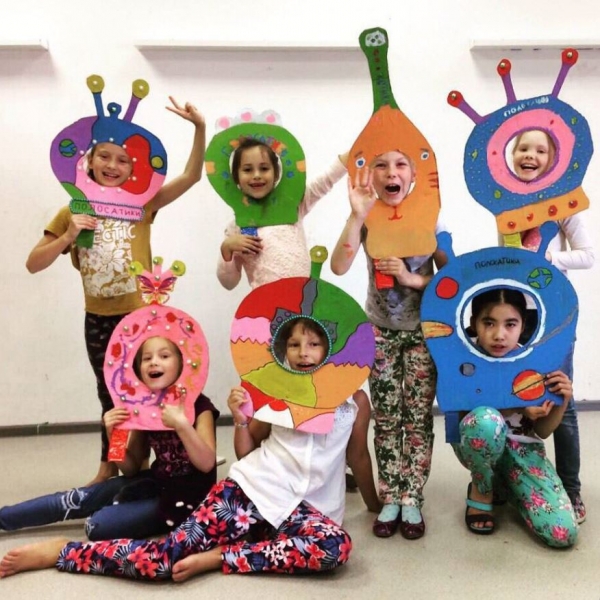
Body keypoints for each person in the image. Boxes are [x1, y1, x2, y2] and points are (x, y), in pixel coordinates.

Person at [0, 318, 379, 582]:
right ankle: (62, 552)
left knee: (334, 548)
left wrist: (374, 504)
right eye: (294, 344)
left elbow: (358, 456)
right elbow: (244, 454)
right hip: (251, 489)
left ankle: (222, 556)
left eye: (313, 344)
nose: (304, 353)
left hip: (306, 510)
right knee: (163, 560)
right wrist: (241, 419)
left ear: (331, 350)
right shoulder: (275, 394)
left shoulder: (354, 402)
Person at [26, 98, 206, 486]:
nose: (112, 165)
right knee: (111, 396)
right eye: (104, 156)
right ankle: (112, 464)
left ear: (133, 169)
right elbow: (33, 263)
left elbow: (191, 177)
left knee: (150, 389)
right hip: (98, 318)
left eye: (123, 160)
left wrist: (199, 128)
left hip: (139, 318)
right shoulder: (73, 209)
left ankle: (156, 463)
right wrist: (69, 235)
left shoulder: (143, 205)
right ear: (88, 162)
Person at [0, 336, 219, 540]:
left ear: (181, 363)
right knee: (74, 499)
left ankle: (120, 506)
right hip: (155, 483)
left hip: (188, 498)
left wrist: (182, 425)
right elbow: (130, 469)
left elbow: (207, 463)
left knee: (96, 526)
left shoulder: (201, 407)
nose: (154, 362)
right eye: (146, 358)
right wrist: (113, 434)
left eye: (164, 356)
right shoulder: (145, 407)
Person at [508, 129, 594, 523]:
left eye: (540, 150)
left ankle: (571, 489)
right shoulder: (505, 202)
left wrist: (548, 260)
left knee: (562, 398)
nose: (530, 155)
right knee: (513, 391)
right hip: (516, 314)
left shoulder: (563, 203)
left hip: (555, 314)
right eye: (523, 148)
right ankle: (514, 476)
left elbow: (588, 255)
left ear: (552, 159)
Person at [455, 288, 578, 547]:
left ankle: (504, 484)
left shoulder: (534, 362)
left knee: (562, 533)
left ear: (523, 326)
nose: (499, 335)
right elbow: (463, 415)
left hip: (524, 451)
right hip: (479, 441)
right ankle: (482, 489)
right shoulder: (463, 360)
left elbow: (543, 431)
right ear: (474, 323)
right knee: (485, 421)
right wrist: (520, 407)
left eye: (510, 324)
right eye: (489, 323)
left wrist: (563, 399)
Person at [217, 138, 349, 290]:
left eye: (264, 168)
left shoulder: (293, 204)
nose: (256, 175)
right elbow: (228, 284)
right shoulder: (236, 228)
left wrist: (361, 148)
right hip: (265, 302)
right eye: (247, 170)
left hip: (302, 299)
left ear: (276, 173)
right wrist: (227, 249)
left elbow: (327, 179)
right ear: (236, 177)